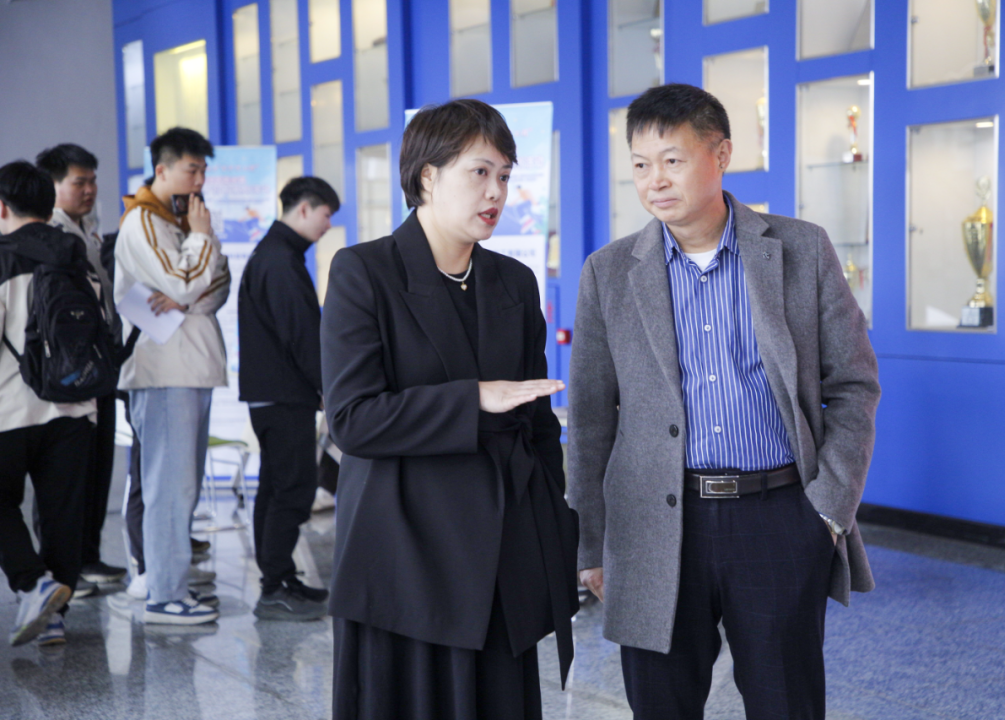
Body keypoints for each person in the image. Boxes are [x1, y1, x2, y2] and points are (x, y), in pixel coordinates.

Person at [567, 83, 881, 720]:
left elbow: (853, 384)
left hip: (778, 516)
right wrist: (591, 544)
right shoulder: (609, 271)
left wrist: (827, 510)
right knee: (661, 705)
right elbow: (592, 419)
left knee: (785, 702)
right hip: (653, 524)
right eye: (640, 164)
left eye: (673, 160)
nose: (655, 180)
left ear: (721, 155)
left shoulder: (801, 249)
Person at [322, 99, 579, 720]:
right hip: (404, 555)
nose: (496, 192)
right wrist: (473, 399)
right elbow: (353, 420)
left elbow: (538, 426)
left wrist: (556, 526)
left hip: (499, 556)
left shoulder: (514, 282)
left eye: (505, 176)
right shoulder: (364, 272)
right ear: (428, 176)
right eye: (480, 172)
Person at [113, 127, 229, 625]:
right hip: (163, 370)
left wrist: (185, 292)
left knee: (184, 485)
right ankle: (163, 593)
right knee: (167, 486)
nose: (200, 180)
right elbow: (183, 281)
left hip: (191, 365)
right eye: (191, 169)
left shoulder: (181, 220)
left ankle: (172, 584)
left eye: (203, 170)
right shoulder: (142, 220)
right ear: (161, 169)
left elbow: (217, 285)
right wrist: (199, 246)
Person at [0, 161, 98, 646]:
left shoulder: (2, 258)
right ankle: (55, 617)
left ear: (2, 208)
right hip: (75, 405)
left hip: (10, 409)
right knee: (63, 514)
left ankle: (33, 584)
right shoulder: (77, 255)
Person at [238, 175, 340, 620]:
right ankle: (274, 588)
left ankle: (278, 579)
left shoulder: (275, 253)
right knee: (293, 488)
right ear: (303, 209)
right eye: (325, 215)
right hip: (283, 396)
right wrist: (329, 386)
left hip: (272, 395)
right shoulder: (280, 260)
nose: (327, 225)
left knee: (276, 486)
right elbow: (301, 334)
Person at [36, 144, 127, 598]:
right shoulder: (48, 235)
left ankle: (87, 556)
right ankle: (62, 567)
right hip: (69, 369)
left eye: (92, 181)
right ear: (52, 186)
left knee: (97, 465)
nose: (90, 190)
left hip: (100, 364)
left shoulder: (87, 229)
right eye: (79, 182)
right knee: (66, 476)